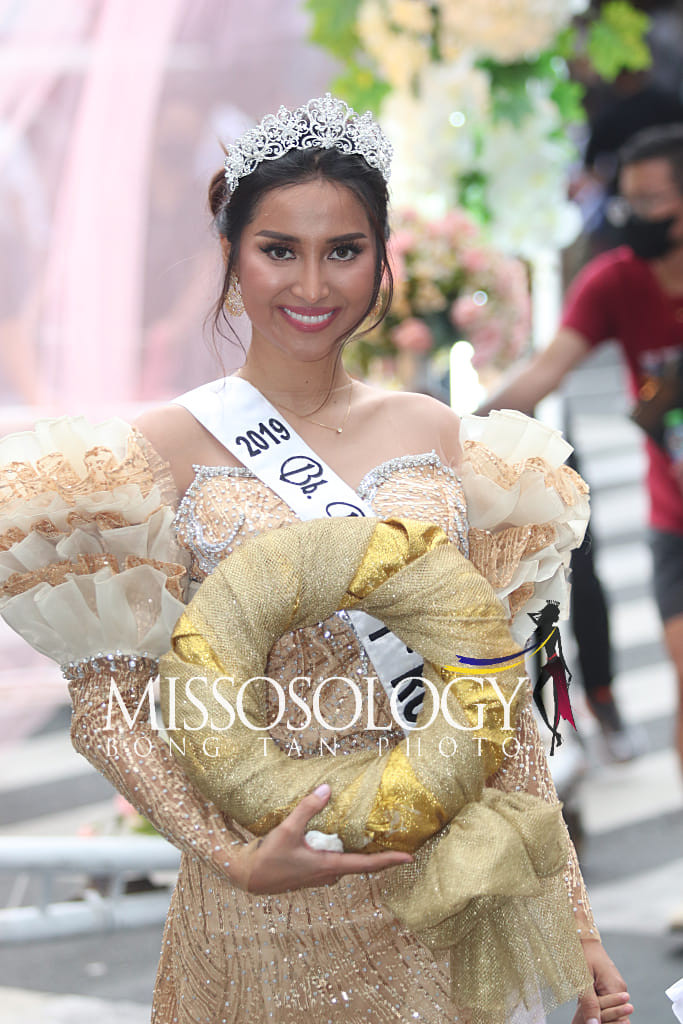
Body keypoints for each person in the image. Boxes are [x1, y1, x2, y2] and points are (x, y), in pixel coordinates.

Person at [0, 95, 631, 1024]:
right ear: (232, 256)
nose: (311, 284)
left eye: (342, 250)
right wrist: (237, 857)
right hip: (263, 904)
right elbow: (108, 711)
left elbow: (496, 705)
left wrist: (572, 925)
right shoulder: (152, 455)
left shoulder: (438, 433)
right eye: (278, 250)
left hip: (449, 893)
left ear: (382, 260)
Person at [479, 122, 683, 783]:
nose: (632, 217)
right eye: (626, 200)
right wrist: (449, 429)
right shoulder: (613, 284)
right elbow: (543, 375)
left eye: (650, 201)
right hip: (671, 514)